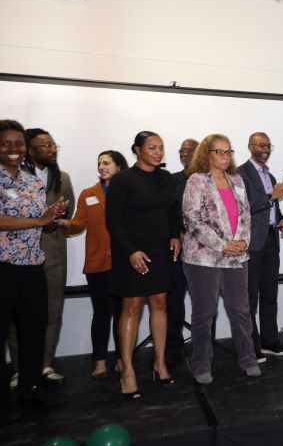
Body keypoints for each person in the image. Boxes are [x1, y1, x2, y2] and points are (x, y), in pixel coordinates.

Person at [1, 119, 70, 419]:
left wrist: (51, 214)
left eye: (18, 143)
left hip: (32, 266)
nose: (13, 148)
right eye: (6, 143)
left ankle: (31, 389)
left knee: (34, 329)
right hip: (3, 267)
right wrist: (39, 220)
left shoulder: (33, 181)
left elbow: (40, 219)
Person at [106, 131, 181, 398]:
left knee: (160, 302)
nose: (159, 152)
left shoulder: (166, 177)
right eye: (152, 147)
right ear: (137, 150)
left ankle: (159, 363)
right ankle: (127, 371)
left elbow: (173, 210)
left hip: (160, 251)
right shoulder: (122, 180)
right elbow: (112, 220)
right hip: (132, 252)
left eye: (161, 147)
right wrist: (130, 251)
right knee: (132, 306)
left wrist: (174, 234)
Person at [182, 134, 260, 384]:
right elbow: (192, 220)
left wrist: (243, 242)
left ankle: (248, 358)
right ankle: (201, 364)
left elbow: (246, 216)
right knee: (204, 313)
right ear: (207, 154)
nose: (226, 156)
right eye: (220, 152)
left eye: (229, 152)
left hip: (236, 256)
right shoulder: (196, 180)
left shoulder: (236, 180)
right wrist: (223, 245)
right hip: (204, 258)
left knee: (241, 310)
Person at [61, 150, 129, 380]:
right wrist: (61, 221)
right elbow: (78, 225)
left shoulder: (129, 192)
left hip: (124, 264)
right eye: (99, 163)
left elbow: (135, 226)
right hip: (98, 264)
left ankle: (121, 360)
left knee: (122, 315)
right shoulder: (88, 194)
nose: (102, 167)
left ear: (119, 166)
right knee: (101, 314)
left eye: (107, 163)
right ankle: (99, 362)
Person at [238, 132, 283, 360]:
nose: (265, 149)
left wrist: (281, 219)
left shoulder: (270, 175)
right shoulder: (240, 174)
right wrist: (271, 196)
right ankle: (251, 346)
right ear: (250, 146)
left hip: (270, 239)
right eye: (261, 145)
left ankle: (270, 341)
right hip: (251, 241)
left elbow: (272, 208)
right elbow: (242, 208)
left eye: (268, 145)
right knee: (250, 297)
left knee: (270, 294)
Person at [165, 138, 198, 368]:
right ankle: (172, 348)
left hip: (204, 252)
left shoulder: (209, 179)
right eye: (181, 151)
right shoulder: (171, 180)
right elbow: (166, 211)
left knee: (204, 303)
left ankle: (203, 348)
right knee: (174, 302)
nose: (184, 154)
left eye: (189, 151)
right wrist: (175, 231)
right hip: (178, 252)